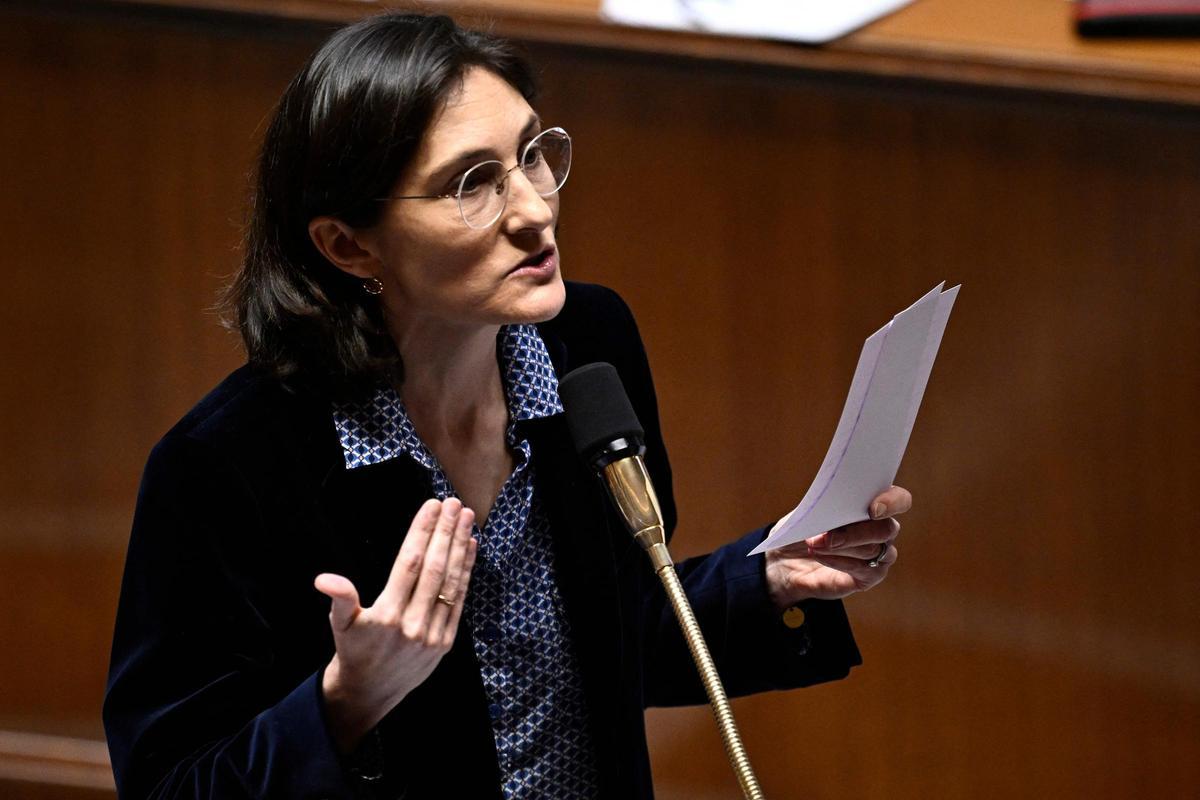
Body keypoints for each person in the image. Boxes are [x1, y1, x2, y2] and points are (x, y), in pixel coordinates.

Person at [102, 12, 909, 800]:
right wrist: (346, 702)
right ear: (350, 245)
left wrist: (766, 579)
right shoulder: (223, 467)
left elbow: (604, 642)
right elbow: (173, 782)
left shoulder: (587, 345)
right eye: (472, 184)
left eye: (529, 156)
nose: (533, 210)